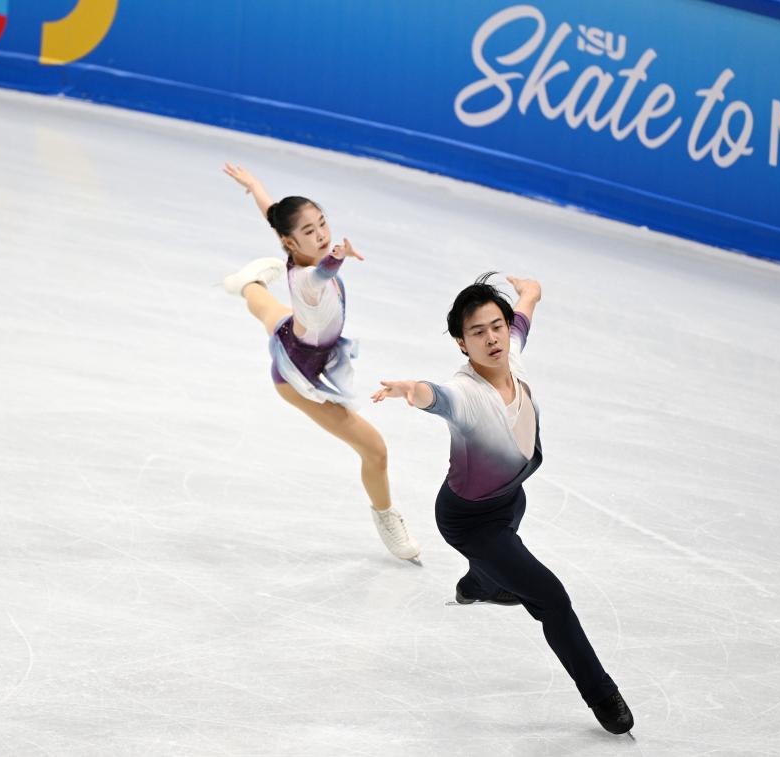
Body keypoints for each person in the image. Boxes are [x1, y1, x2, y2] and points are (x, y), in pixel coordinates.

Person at [371, 273, 634, 735]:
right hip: (470, 522)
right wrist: (414, 390)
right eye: (477, 332)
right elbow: (439, 397)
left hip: (511, 500)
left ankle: (478, 583)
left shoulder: (511, 355)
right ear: (461, 343)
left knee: (503, 568)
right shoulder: (467, 394)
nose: (492, 338)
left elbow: (521, 323)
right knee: (551, 599)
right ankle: (601, 694)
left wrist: (529, 294)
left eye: (497, 326)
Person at [221, 163, 420, 564]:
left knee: (268, 311)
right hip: (298, 376)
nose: (322, 235)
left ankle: (249, 283)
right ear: (290, 242)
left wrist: (256, 185)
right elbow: (321, 274)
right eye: (310, 232)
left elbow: (273, 214)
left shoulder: (292, 240)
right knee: (376, 450)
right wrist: (338, 258)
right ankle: (386, 518)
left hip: (296, 335)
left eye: (323, 224)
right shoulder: (307, 278)